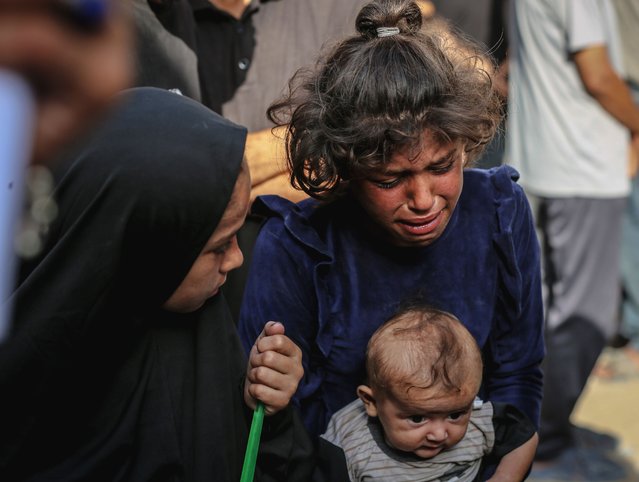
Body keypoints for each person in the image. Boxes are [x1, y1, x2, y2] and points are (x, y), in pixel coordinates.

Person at [238, 0, 544, 478]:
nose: (424, 199)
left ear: (465, 144)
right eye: (388, 179)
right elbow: (285, 434)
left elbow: (519, 377)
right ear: (346, 169)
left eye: (442, 167)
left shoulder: (500, 212)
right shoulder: (297, 246)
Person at [0, 87, 312, 481]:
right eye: (218, 246)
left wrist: (265, 413)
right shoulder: (22, 395)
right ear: (146, 248)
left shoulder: (204, 333)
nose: (237, 259)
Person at [505, 0, 639, 479]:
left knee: (542, 306)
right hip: (581, 164)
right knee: (586, 315)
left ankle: (531, 427)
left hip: (541, 160)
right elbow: (598, 74)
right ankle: (544, 436)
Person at [317, 305, 538, 482]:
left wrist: (504, 477)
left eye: (455, 415)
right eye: (417, 418)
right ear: (371, 402)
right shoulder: (351, 447)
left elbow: (525, 436)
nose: (439, 434)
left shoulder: (480, 422)